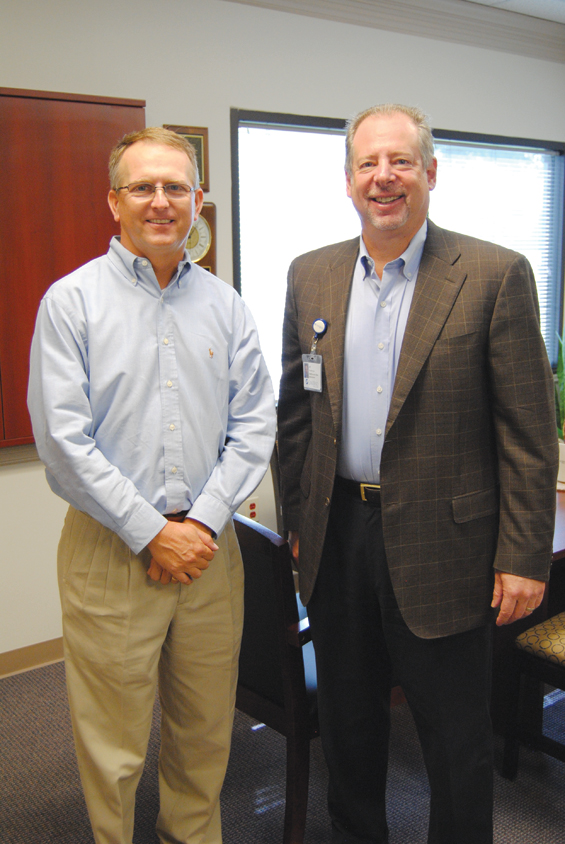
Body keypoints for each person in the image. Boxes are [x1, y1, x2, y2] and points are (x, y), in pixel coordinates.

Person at [276, 104, 558, 844]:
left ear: (429, 173)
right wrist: (295, 520)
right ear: (347, 180)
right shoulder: (312, 275)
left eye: (400, 161)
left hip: (447, 547)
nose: (384, 177)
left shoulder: (493, 274)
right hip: (337, 536)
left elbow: (528, 432)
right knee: (349, 722)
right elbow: (295, 415)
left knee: (454, 739)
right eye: (368, 163)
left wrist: (522, 555)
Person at [28, 127, 276, 844]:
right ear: (114, 201)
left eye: (176, 187)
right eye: (143, 187)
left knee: (204, 729)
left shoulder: (225, 306)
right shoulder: (70, 303)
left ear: (197, 200)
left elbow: (254, 423)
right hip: (111, 549)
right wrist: (150, 530)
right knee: (114, 740)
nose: (161, 202)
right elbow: (63, 443)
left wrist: (196, 525)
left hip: (207, 551)